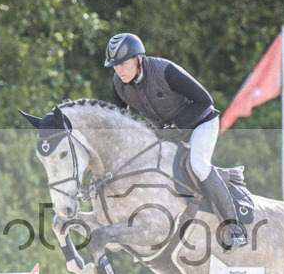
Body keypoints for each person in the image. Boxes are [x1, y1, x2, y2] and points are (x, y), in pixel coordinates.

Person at [104, 32, 248, 251]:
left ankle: (234, 226)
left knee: (198, 165)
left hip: (201, 123)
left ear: (139, 58)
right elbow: (120, 121)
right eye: (114, 65)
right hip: (167, 135)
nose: (118, 70)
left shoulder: (165, 70)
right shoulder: (119, 84)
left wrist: (176, 127)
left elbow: (204, 100)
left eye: (123, 63)